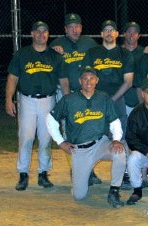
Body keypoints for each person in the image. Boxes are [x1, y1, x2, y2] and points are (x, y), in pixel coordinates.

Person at [45, 66, 126, 208]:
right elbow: (50, 119)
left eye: (91, 78)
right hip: (80, 150)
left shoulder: (103, 97)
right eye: (85, 78)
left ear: (97, 80)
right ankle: (84, 174)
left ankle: (114, 191)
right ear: (80, 81)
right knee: (79, 196)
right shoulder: (69, 99)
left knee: (120, 151)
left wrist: (116, 139)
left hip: (100, 143)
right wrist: (60, 142)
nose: (88, 81)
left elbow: (114, 121)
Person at [5, 21, 69, 191]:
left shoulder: (55, 56)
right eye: (38, 31)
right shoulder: (22, 54)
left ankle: (43, 174)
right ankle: (23, 174)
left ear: (48, 34)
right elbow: (12, 78)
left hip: (49, 100)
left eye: (45, 31)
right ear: (32, 34)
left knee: (46, 138)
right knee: (25, 137)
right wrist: (8, 99)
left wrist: (67, 103)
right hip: (27, 99)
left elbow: (64, 82)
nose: (41, 34)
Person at [50, 13, 102, 186]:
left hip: (87, 93)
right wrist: (53, 51)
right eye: (70, 26)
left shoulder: (89, 43)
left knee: (88, 130)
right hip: (65, 93)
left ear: (81, 27)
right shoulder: (56, 44)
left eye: (77, 26)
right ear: (65, 29)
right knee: (70, 132)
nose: (74, 29)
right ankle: (77, 169)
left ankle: (89, 169)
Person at [82, 20, 134, 133]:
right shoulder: (92, 52)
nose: (109, 33)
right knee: (96, 133)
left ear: (116, 33)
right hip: (96, 98)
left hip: (118, 98)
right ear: (101, 34)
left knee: (119, 134)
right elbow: (86, 79)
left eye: (112, 30)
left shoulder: (125, 53)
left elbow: (128, 81)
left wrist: (113, 99)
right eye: (106, 30)